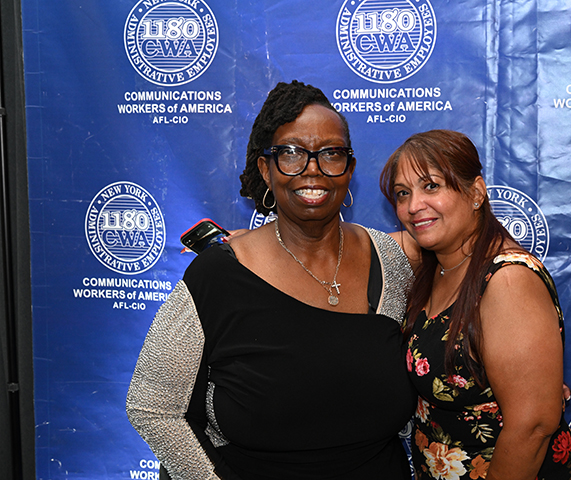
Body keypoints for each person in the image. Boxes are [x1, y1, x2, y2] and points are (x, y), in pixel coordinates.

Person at [126, 80, 417, 480]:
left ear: (349, 169)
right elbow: (152, 407)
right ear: (265, 169)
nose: (312, 169)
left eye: (330, 153)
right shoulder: (219, 275)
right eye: (291, 153)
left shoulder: (390, 261)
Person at [379, 130, 571, 480]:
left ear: (476, 193)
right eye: (403, 193)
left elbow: (533, 426)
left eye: (431, 186)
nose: (413, 206)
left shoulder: (507, 280)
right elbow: (350, 246)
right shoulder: (435, 264)